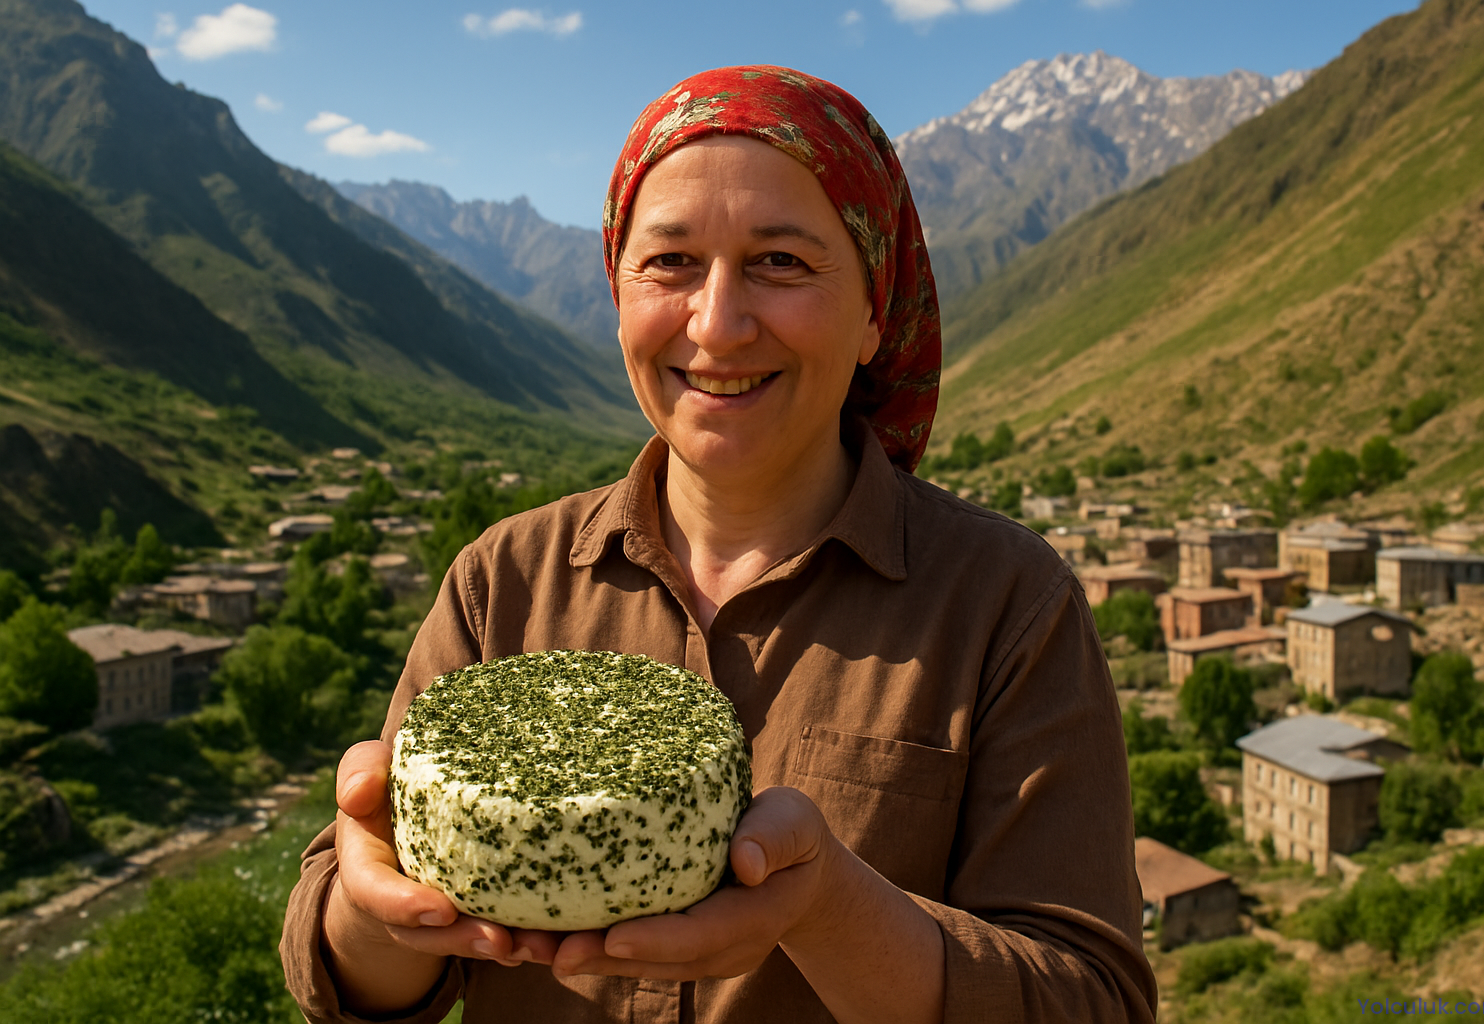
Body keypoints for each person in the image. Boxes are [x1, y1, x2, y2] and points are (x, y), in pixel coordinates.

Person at [281, 65, 1158, 1024]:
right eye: (670, 262)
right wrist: (379, 907)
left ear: (876, 310)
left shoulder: (1007, 605)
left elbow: (1093, 1001)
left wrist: (826, 907)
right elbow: (351, 985)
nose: (719, 324)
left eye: (781, 262)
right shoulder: (505, 580)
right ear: (617, 294)